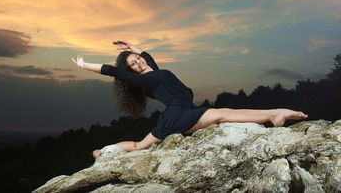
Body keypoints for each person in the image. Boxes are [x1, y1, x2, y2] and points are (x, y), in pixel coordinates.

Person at [71, 41, 308, 159]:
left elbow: (147, 57)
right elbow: (111, 71)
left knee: (140, 145)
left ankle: (103, 151)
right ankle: (274, 114)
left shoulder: (153, 72)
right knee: (220, 113)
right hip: (176, 115)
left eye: (137, 59)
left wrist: (131, 47)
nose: (138, 62)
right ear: (131, 72)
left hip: (184, 111)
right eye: (133, 64)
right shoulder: (144, 82)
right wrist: (84, 65)